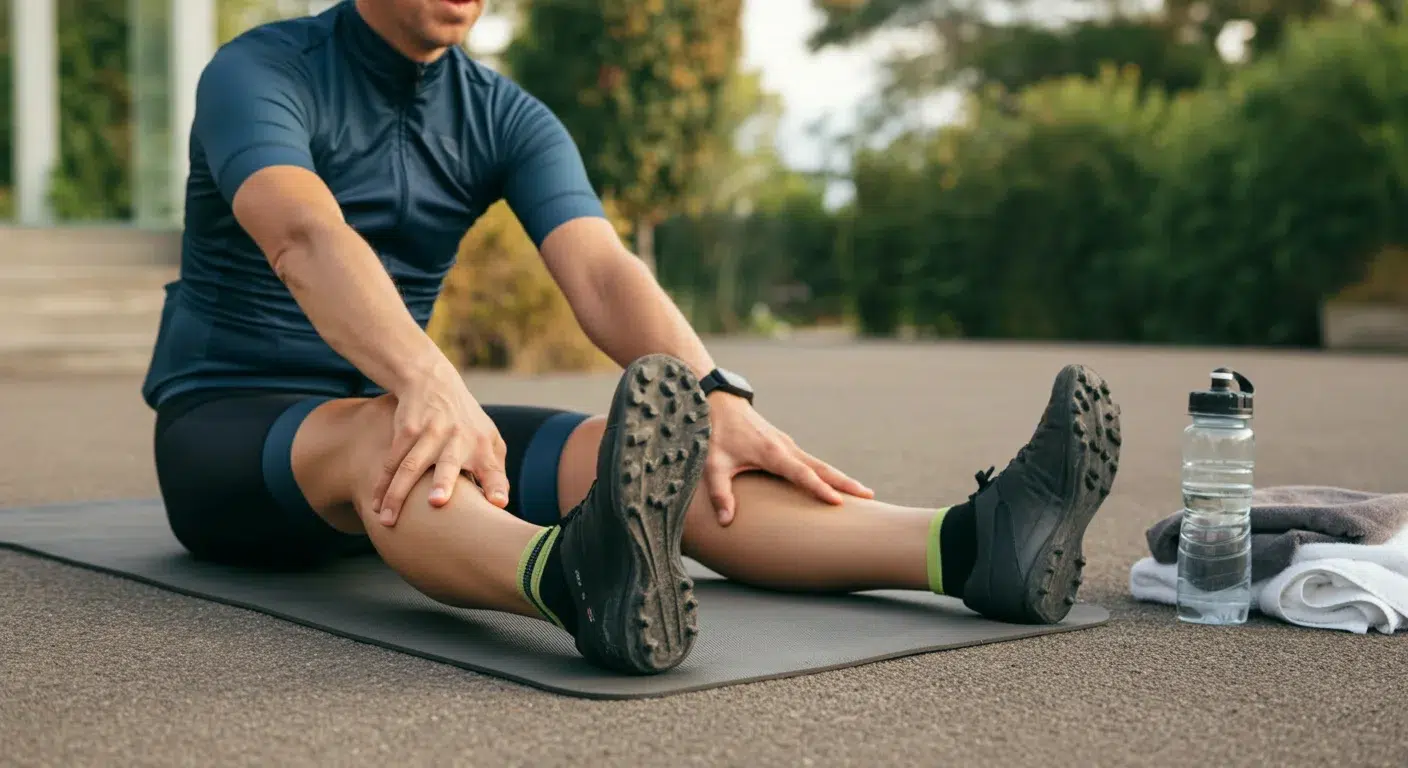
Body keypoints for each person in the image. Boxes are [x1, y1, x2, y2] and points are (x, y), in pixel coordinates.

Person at [145, 0, 1123, 676]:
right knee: (396, 431)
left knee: (635, 459)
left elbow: (602, 270)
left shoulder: (499, 114)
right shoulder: (259, 71)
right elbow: (303, 234)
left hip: (404, 403)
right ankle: (577, 580)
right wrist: (429, 380)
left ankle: (973, 545)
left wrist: (715, 396)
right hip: (229, 435)